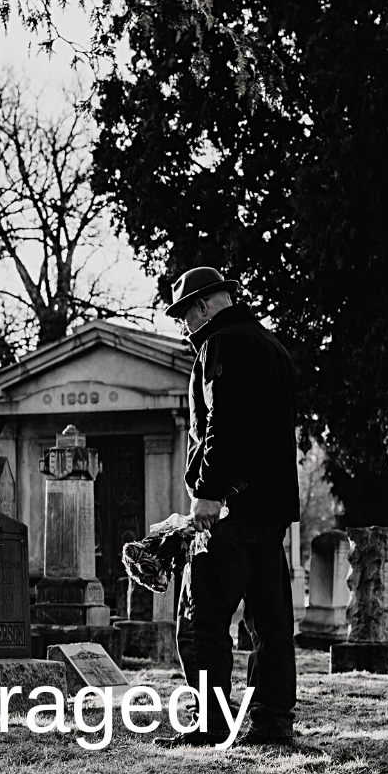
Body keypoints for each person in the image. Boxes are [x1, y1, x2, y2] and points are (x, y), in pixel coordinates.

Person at [163, 266, 300, 746]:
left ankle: (209, 724)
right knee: (270, 621)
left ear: (202, 307)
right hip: (273, 507)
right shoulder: (273, 348)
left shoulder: (221, 345)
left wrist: (208, 492)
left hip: (232, 506)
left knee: (200, 617)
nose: (184, 327)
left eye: (184, 315)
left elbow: (224, 425)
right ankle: (270, 722)